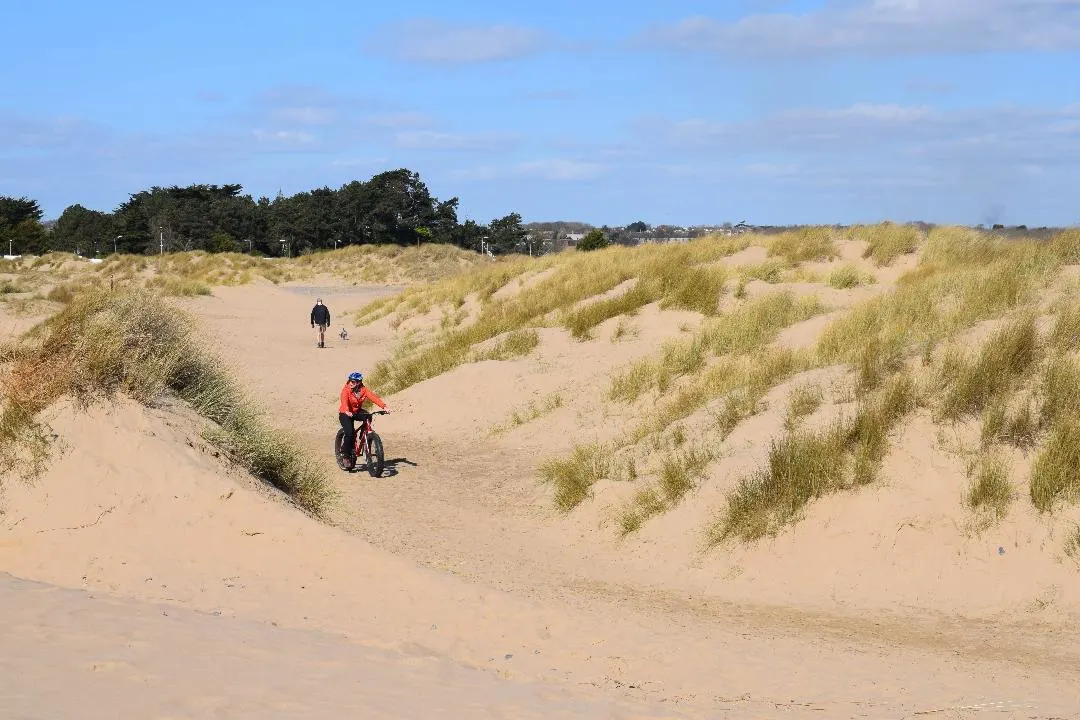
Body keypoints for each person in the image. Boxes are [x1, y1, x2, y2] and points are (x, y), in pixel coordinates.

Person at [339, 371, 389, 463]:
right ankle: (345, 456)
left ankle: (364, 435)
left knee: (368, 416)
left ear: (359, 382)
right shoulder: (346, 390)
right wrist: (346, 410)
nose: (350, 383)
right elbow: (344, 400)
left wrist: (384, 406)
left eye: (353, 382)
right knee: (350, 433)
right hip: (345, 414)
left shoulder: (363, 390)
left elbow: (373, 397)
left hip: (356, 412)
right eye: (350, 381)